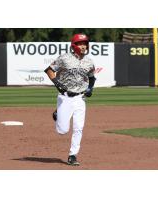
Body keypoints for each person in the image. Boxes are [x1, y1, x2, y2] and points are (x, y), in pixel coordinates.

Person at [44, 33, 96, 166]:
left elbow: (91, 77)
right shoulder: (64, 58)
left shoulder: (89, 61)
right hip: (65, 97)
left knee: (79, 127)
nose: (83, 46)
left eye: (85, 43)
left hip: (80, 98)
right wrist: (57, 82)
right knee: (62, 131)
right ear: (74, 45)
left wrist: (90, 88)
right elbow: (49, 70)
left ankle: (72, 155)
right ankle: (58, 114)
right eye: (80, 43)